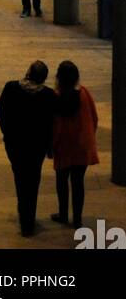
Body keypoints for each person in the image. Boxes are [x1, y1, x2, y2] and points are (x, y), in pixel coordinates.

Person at [0, 61, 57, 236]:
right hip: (36, 146)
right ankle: (28, 219)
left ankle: (24, 216)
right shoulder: (48, 95)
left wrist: (7, 133)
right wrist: (49, 146)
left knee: (20, 178)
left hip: (15, 144)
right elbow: (51, 123)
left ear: (28, 72)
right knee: (33, 179)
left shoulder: (11, 88)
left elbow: (1, 113)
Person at [51, 61, 98, 228]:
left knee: (62, 181)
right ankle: (77, 219)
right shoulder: (84, 93)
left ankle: (63, 214)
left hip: (64, 146)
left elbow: (56, 126)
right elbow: (94, 117)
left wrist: (51, 146)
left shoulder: (57, 98)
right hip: (82, 145)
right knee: (78, 183)